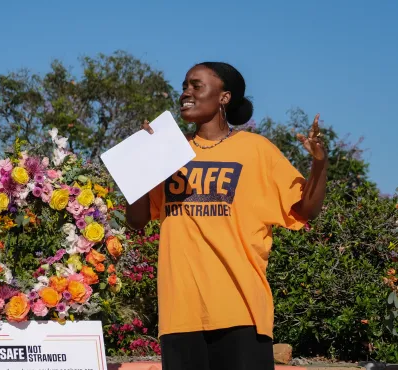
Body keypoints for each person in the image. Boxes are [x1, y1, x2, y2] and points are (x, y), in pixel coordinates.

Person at [125, 62, 328, 370]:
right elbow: (137, 220)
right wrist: (141, 160)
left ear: (224, 97)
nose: (185, 93)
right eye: (184, 86)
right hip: (180, 312)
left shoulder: (256, 149)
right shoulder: (168, 151)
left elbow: (305, 210)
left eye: (196, 86)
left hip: (242, 309)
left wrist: (319, 164)